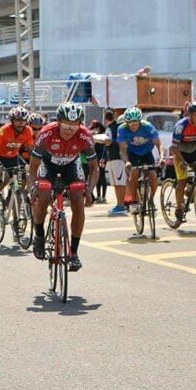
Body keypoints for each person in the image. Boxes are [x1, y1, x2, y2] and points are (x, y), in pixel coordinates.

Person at [28, 102, 98, 271]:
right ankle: (38, 233)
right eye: (66, 124)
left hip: (71, 166)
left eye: (74, 125)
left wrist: (89, 190)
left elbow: (94, 168)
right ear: (59, 122)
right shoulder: (46, 134)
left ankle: (73, 252)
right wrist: (33, 186)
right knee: (43, 193)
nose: (69, 129)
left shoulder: (85, 136)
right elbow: (33, 167)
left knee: (78, 201)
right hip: (48, 165)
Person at [117, 107, 163, 214]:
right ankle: (134, 201)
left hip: (147, 153)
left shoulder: (147, 126)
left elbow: (159, 144)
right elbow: (122, 150)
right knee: (134, 173)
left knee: (153, 175)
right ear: (126, 122)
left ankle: (151, 200)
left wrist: (161, 157)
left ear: (140, 121)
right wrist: (127, 162)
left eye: (136, 123)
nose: (134, 126)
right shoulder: (122, 129)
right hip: (132, 153)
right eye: (131, 124)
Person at [0, 106, 34, 212]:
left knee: (22, 179)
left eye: (23, 121)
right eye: (18, 121)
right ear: (12, 121)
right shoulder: (4, 130)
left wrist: (33, 165)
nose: (21, 123)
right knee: (5, 178)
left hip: (13, 157)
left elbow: (31, 151)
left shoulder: (28, 131)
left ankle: (13, 197)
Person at [102, 110, 127, 216]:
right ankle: (119, 204)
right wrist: (104, 157)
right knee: (116, 184)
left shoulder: (117, 128)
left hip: (118, 158)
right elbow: (106, 143)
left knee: (120, 183)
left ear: (106, 118)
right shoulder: (109, 128)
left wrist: (112, 142)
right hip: (112, 158)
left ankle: (122, 205)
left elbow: (121, 141)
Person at [89, 120, 108, 203]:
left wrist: (103, 157)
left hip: (102, 157)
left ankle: (103, 196)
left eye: (95, 128)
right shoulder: (95, 136)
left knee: (102, 176)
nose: (94, 130)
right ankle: (98, 195)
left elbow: (105, 147)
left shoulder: (104, 135)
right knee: (97, 176)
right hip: (96, 157)